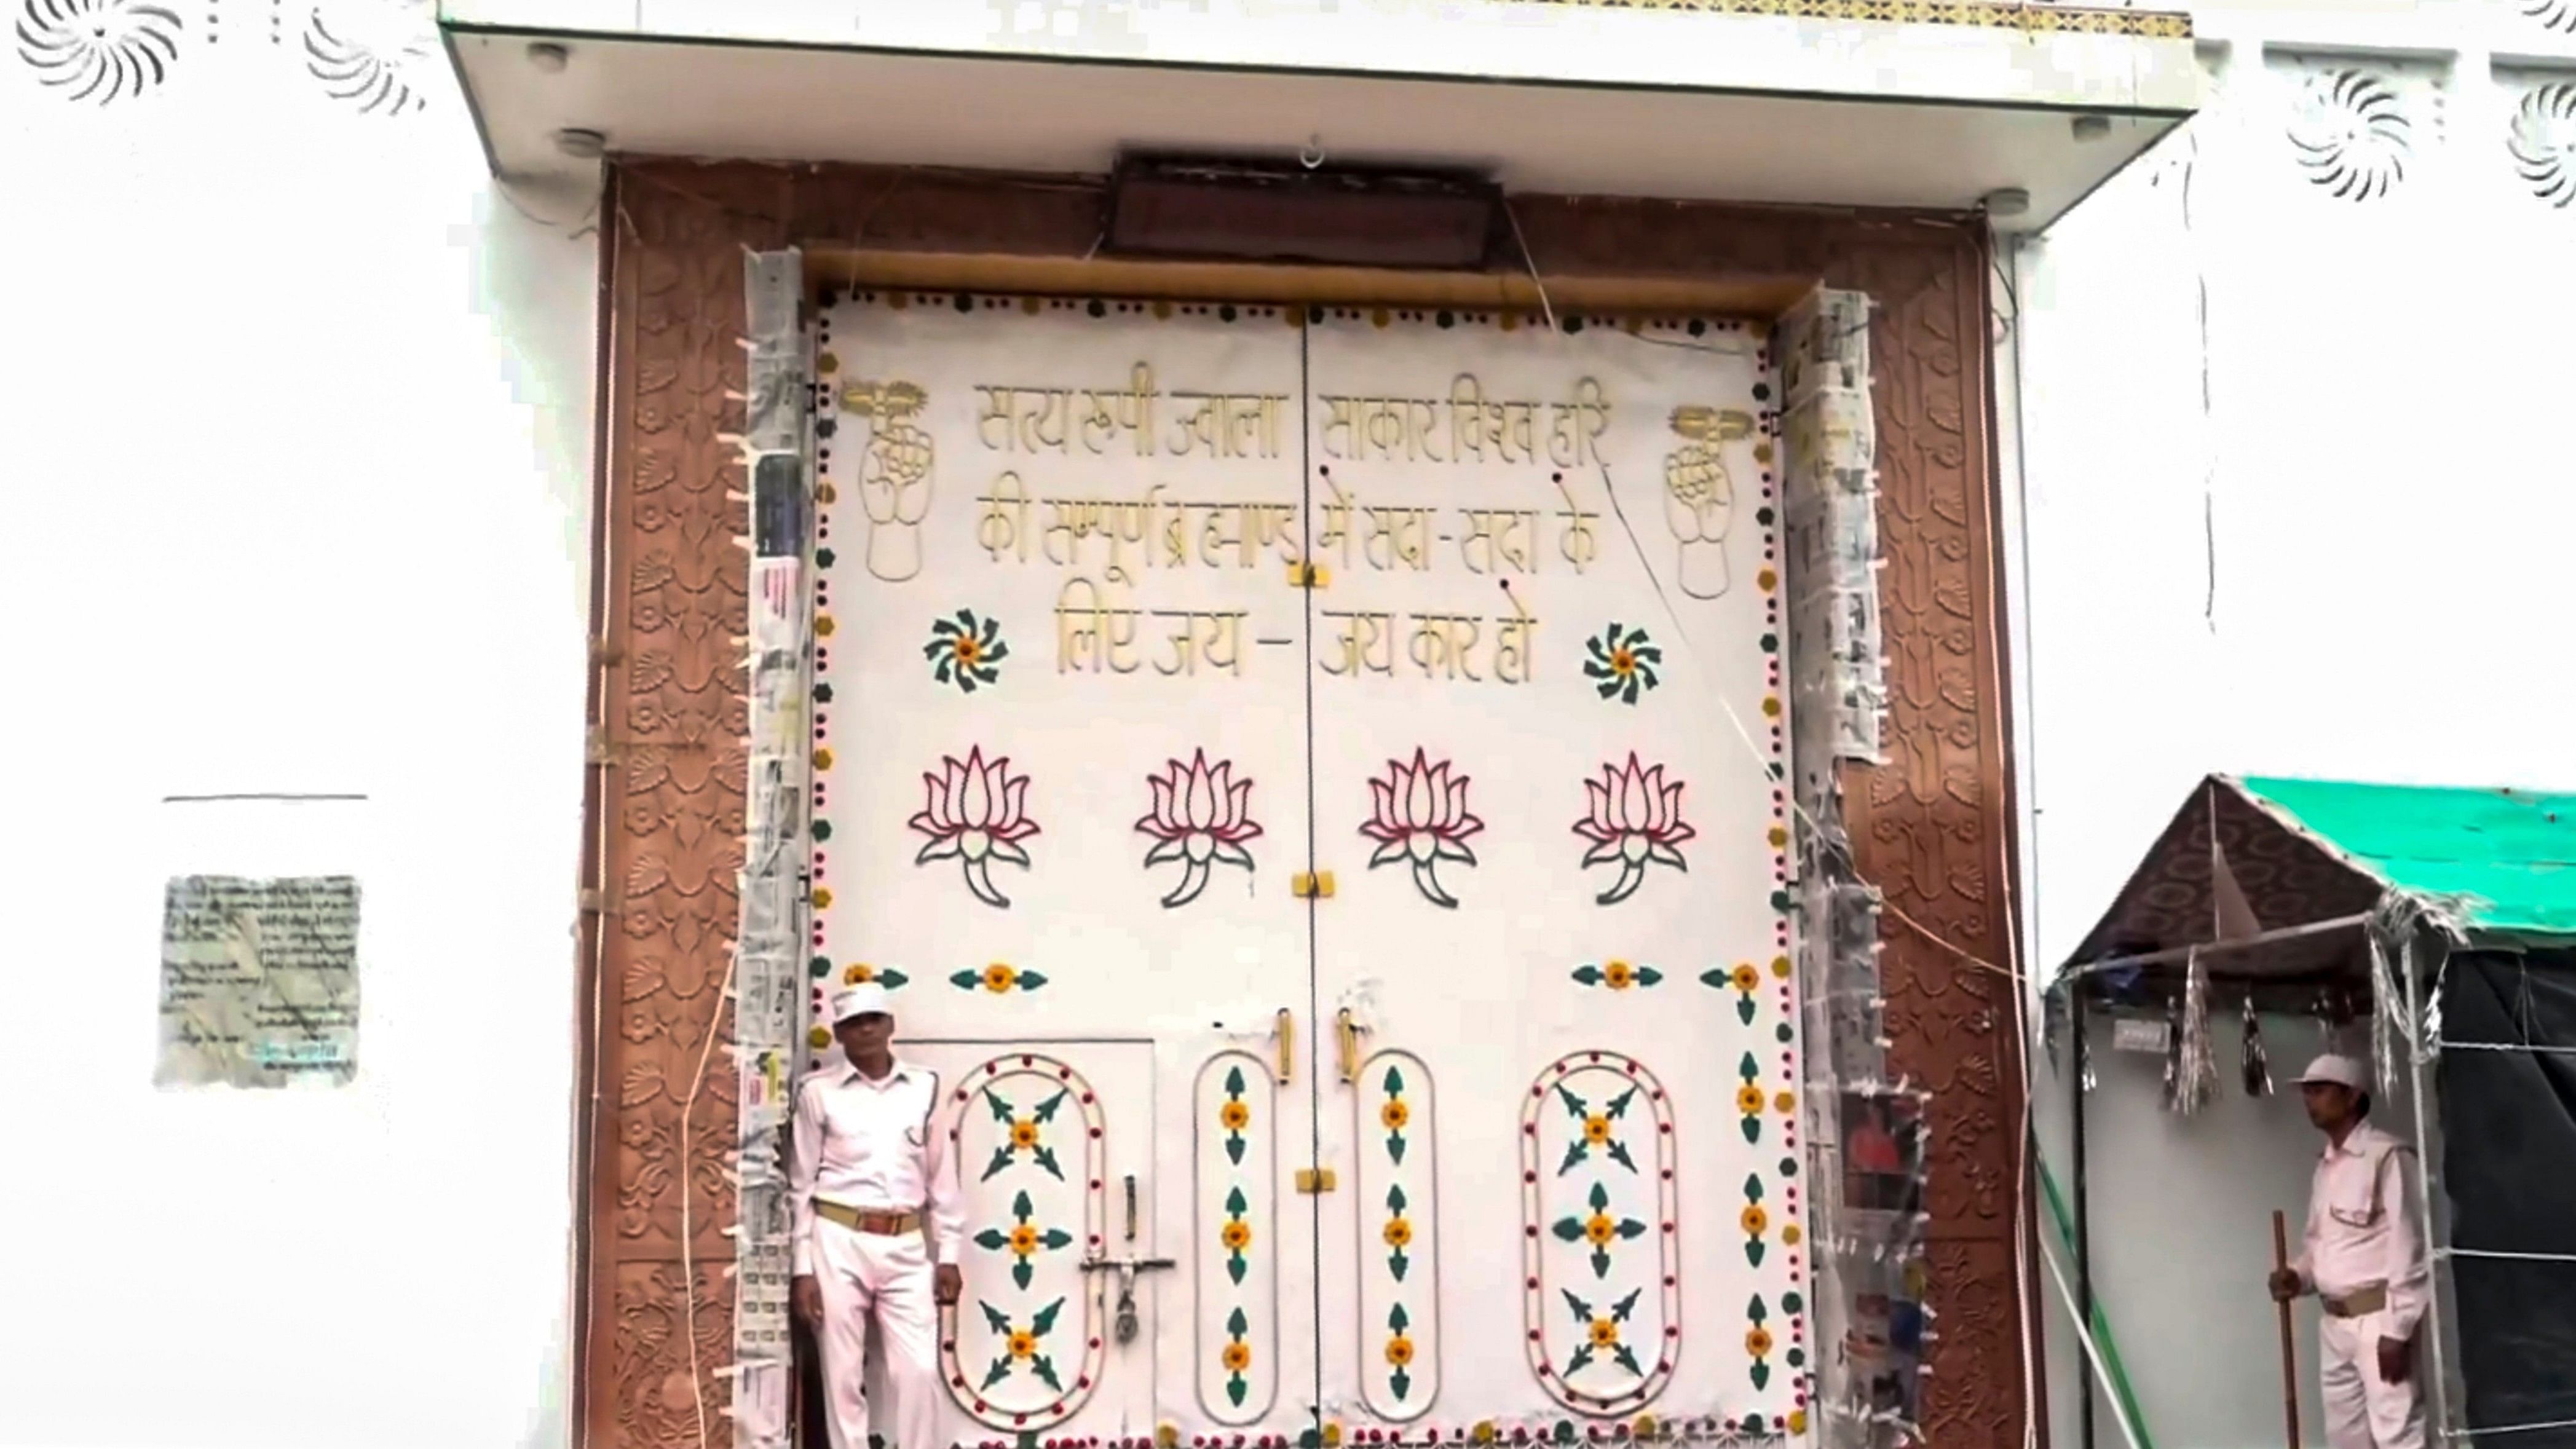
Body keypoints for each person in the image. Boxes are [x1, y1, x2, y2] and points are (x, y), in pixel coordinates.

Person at [791, 982, 964, 1449]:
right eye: (853, 1023)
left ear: (891, 1026)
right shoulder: (818, 1093)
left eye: (874, 1019)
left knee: (918, 1370)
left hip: (906, 1241)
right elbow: (801, 1185)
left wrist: (949, 1252)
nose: (865, 1030)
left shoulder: (925, 1088)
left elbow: (942, 1178)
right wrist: (802, 1268)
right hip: (838, 1237)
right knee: (842, 1373)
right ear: (839, 1034)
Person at [2267, 1054, 2428, 1449]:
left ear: (2353, 1096)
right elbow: (2321, 1247)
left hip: (2379, 1321)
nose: (2310, 1100)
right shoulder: (2326, 1167)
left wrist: (2398, 1332)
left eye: (2319, 1091)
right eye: (2307, 1092)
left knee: (2399, 1435)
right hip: (2335, 1323)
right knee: (2346, 1440)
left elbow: (2411, 1248)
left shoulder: (2388, 1157)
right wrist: (2297, 1275)